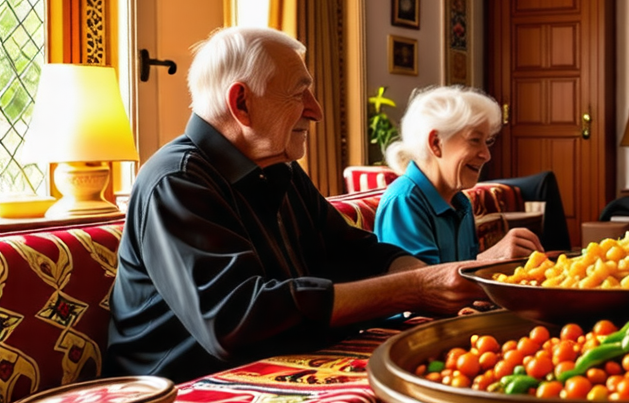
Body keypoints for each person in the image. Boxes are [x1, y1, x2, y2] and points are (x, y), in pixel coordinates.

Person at [108, 27, 503, 382]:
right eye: (300, 93)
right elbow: (236, 321)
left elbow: (353, 250)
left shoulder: (279, 168)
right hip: (182, 389)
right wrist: (414, 289)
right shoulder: (176, 180)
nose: (315, 110)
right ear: (241, 103)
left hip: (278, 367)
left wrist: (436, 280)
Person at [374, 85, 542, 265]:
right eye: (475, 140)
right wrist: (493, 257)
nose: (486, 155)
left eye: (487, 142)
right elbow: (422, 286)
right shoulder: (404, 202)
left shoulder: (461, 202)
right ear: (436, 143)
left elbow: (458, 277)